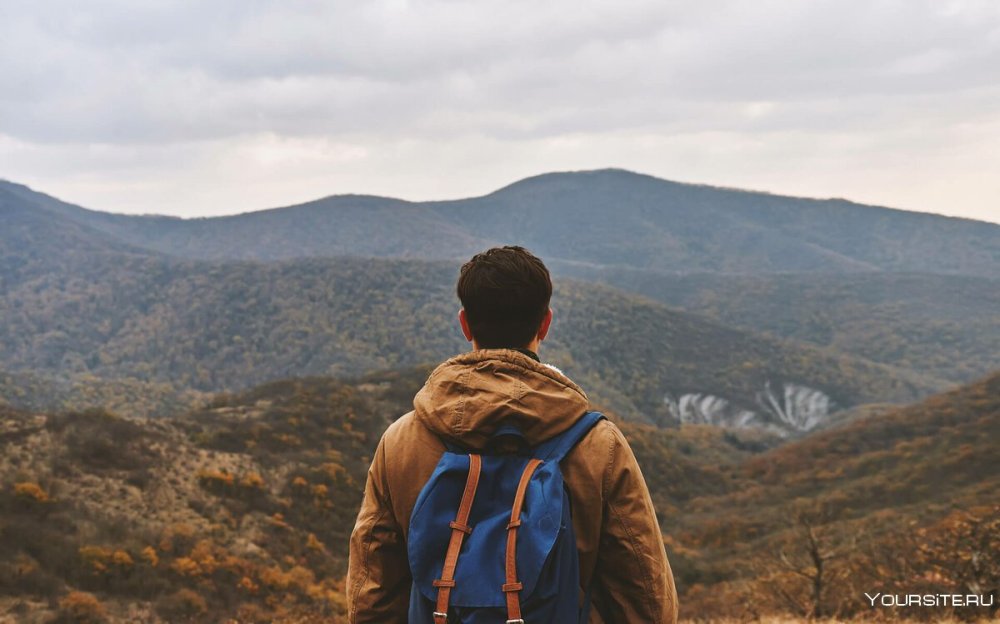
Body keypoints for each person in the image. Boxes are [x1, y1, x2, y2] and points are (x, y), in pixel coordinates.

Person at [346, 245, 677, 623]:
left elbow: (371, 596)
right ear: (545, 324)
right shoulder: (599, 445)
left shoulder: (401, 442)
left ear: (465, 323)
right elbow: (647, 599)